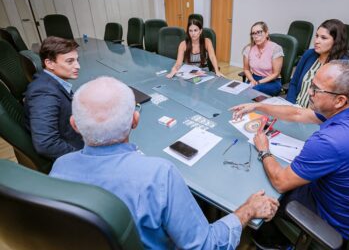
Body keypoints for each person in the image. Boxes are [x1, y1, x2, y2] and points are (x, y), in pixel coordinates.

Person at [49, 76, 279, 249]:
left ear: (74, 124)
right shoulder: (159, 175)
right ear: (135, 120)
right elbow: (204, 246)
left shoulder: (59, 168)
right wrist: (247, 210)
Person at [230, 60, 349, 243]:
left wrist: (264, 149)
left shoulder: (331, 141)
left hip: (335, 224)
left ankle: (269, 240)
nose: (309, 92)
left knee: (261, 187)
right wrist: (258, 106)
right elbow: (298, 114)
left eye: (316, 89)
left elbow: (280, 182)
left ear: (340, 100)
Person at [24, 36, 83, 160]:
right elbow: (46, 144)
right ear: (50, 63)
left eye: (77, 60)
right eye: (70, 61)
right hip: (75, 149)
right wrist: (82, 157)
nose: (77, 66)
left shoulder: (51, 81)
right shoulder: (43, 93)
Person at [286, 19, 349, 107]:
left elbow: (335, 102)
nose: (316, 41)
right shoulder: (309, 54)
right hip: (295, 108)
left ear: (336, 41)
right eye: (316, 36)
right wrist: (290, 105)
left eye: (323, 38)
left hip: (316, 116)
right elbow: (294, 83)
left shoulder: (343, 66)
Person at [242, 21, 284, 96]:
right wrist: (252, 80)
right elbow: (246, 69)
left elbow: (276, 73)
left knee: (253, 91)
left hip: (272, 81)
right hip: (254, 78)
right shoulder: (248, 49)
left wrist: (258, 82)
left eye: (259, 32)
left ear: (266, 33)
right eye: (253, 33)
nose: (256, 36)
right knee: (242, 90)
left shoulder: (276, 48)